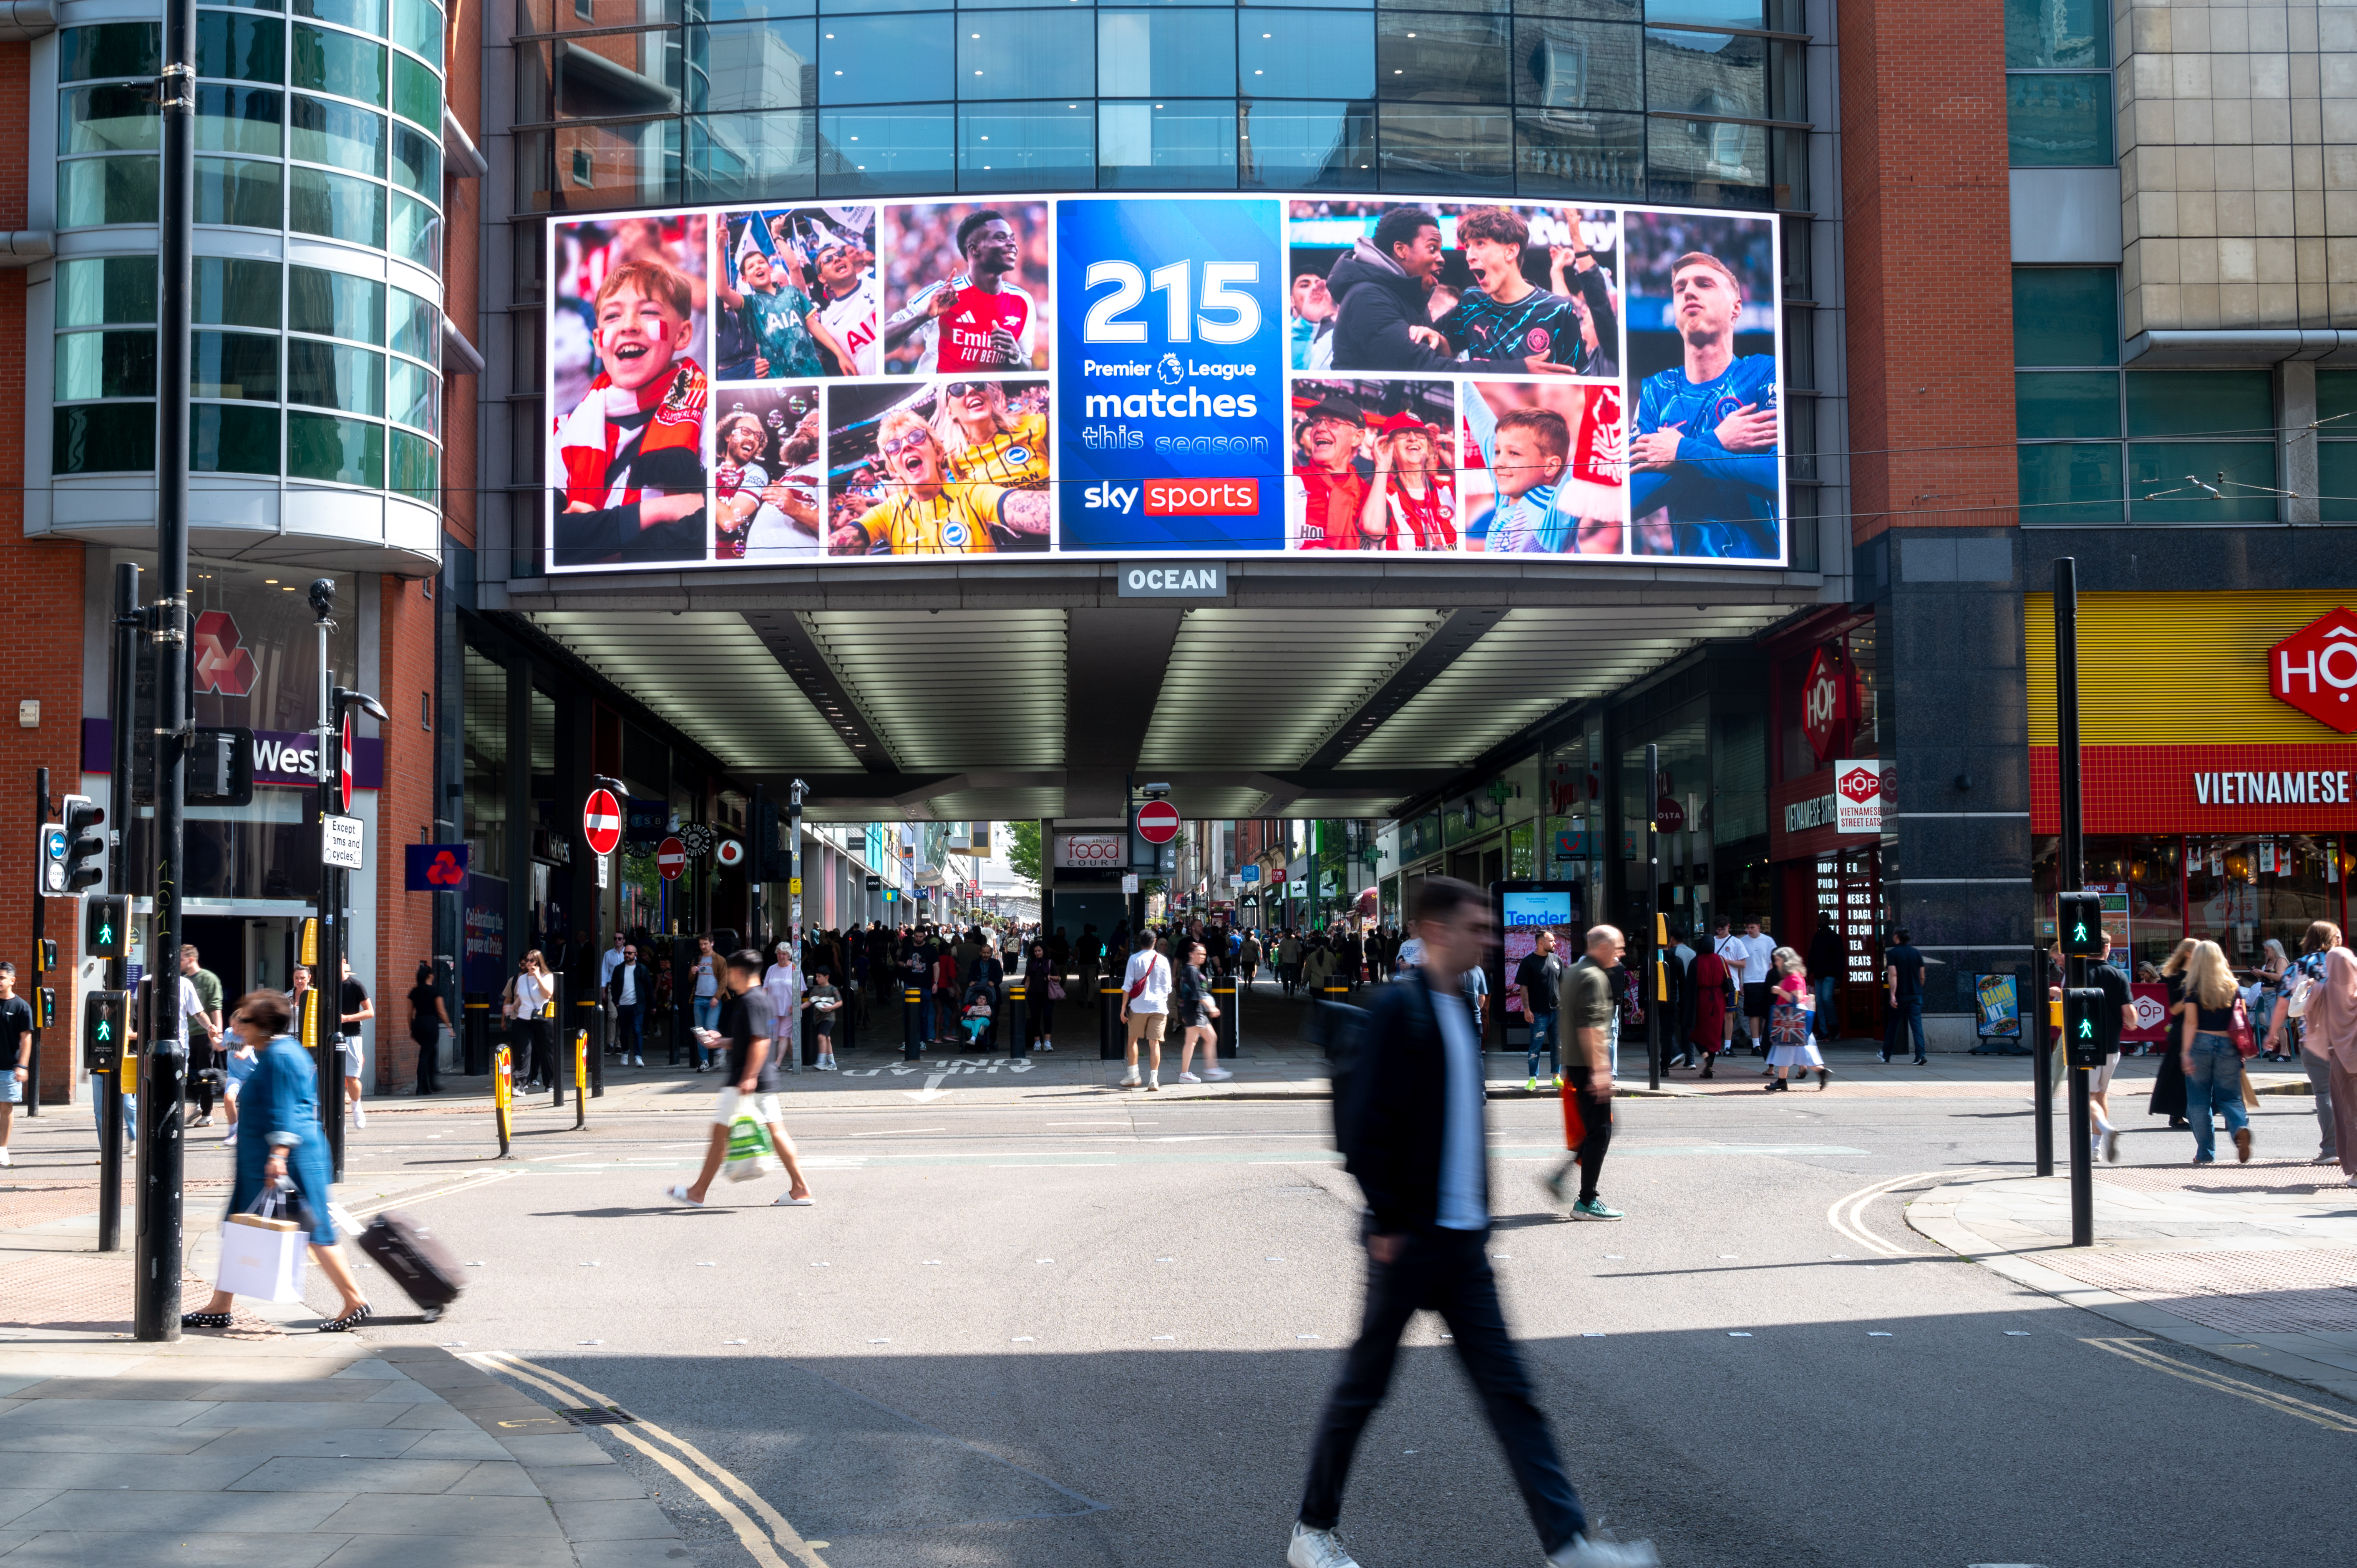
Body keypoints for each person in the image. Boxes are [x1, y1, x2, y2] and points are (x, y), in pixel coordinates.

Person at [1288, 880, 1655, 1568]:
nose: (1487, 935)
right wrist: (1390, 1218)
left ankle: (1569, 1545)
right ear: (1433, 929)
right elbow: (1365, 1126)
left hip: (1462, 1242)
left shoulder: (1462, 1003)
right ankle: (1312, 1530)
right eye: (1473, 924)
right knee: (1364, 1388)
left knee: (1511, 1393)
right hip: (1409, 1238)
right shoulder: (1402, 1008)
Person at [182, 992, 372, 1333]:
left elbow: (291, 1110)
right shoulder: (270, 1051)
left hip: (291, 1162)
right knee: (241, 1227)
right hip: (262, 1162)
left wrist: (278, 1156)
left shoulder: (282, 1056)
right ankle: (220, 1306)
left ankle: (355, 1300)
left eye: (245, 1019)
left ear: (264, 1025)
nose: (238, 1023)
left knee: (315, 1230)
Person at [549, 257, 708, 567]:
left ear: (683, 335)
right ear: (598, 341)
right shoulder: (562, 431)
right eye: (612, 316)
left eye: (648, 312)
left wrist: (597, 535)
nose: (629, 325)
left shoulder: (710, 416)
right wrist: (661, 510)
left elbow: (703, 533)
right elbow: (552, 541)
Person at [1629, 250, 1780, 560]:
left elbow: (1779, 476)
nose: (1690, 292)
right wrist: (1718, 442)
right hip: (1688, 578)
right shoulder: (1656, 390)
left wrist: (1682, 452)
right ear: (1674, 312)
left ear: (1736, 307)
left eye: (1704, 284)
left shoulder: (1764, 374)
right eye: (1680, 287)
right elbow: (1630, 498)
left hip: (1764, 573)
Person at [667, 951, 815, 1208]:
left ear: (737, 973)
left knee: (721, 1135)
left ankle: (698, 1192)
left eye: (729, 973)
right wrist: (722, 1041)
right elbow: (752, 1039)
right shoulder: (759, 999)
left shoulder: (751, 1001)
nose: (728, 978)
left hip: (746, 1080)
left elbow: (761, 1042)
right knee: (777, 1133)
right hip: (761, 1079)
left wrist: (748, 1079)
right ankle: (800, 1188)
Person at [831, 408, 1049, 556]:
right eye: (893, 447)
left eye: (916, 437)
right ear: (893, 470)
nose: (906, 446)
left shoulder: (973, 494)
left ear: (937, 452)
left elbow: (1038, 510)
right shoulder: (886, 514)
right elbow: (831, 549)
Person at [1436, 206, 1617, 376]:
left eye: (1480, 243)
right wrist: (1432, 336)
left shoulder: (1558, 311)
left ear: (1511, 251)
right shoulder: (1471, 302)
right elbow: (1444, 352)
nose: (1469, 256)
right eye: (1468, 246)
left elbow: (1580, 383)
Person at [887, 209, 1037, 372]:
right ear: (974, 249)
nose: (1013, 245)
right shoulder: (941, 294)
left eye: (1013, 239)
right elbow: (881, 342)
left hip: (985, 398)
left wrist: (1016, 356)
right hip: (935, 396)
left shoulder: (1023, 301)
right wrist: (924, 316)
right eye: (1001, 238)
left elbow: (1026, 364)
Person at [1546, 926, 1624, 1221]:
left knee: (1595, 1130)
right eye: (1618, 947)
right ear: (1602, 946)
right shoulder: (1594, 976)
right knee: (1601, 1130)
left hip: (1577, 1066)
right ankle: (1587, 1201)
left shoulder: (1576, 971)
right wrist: (1603, 1072)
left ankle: (1562, 1176)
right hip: (1589, 1067)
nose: (1621, 953)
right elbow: (1591, 1029)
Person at [713, 238, 846, 381]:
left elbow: (813, 325)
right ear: (745, 279)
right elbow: (723, 292)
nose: (757, 267)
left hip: (813, 373)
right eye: (751, 267)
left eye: (761, 263)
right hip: (778, 380)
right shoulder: (750, 304)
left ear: (770, 268)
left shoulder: (793, 292)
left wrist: (840, 354)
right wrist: (721, 249)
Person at [2269, 920, 2341, 1162]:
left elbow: (2282, 1004)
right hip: (2347, 1036)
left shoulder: (2299, 966)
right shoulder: (2347, 964)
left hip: (2314, 1038)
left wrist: (2272, 1033)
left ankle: (2332, 1150)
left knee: (2325, 1093)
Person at [2177, 939, 2252, 1164]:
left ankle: (2205, 1154)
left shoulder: (2192, 987)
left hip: (2200, 1042)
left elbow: (2190, 1022)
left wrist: (2185, 1052)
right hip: (2229, 1044)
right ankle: (2239, 1127)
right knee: (2230, 1096)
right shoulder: (2234, 986)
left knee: (2199, 1102)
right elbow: (2242, 1021)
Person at [1353, 411, 1458, 552]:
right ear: (1388, 446)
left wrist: (1458, 467)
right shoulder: (1381, 495)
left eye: (1419, 433)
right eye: (1403, 433)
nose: (1413, 438)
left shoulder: (1448, 489)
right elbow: (1372, 528)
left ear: (1428, 446)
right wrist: (1382, 467)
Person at [2301, 945, 2357, 1187]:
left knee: (2349, 1116)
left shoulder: (2322, 990)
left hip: (2340, 1063)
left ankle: (2356, 1170)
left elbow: (2304, 1011)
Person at [1291, 396, 1371, 550]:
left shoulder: (1370, 494)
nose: (1320, 428)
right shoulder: (1289, 480)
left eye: (1333, 422)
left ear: (1357, 438)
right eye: (1317, 421)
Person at [2083, 932, 2136, 1161]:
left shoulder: (2077, 974)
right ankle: (2095, 1148)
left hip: (2084, 1043)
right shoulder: (2118, 975)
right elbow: (2131, 1015)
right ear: (2108, 948)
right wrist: (2132, 1025)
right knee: (2100, 1093)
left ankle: (2105, 1130)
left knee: (2087, 1096)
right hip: (2112, 1045)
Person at [1763, 946, 1831, 1091]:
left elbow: (1796, 999)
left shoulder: (1793, 977)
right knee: (1800, 1051)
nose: (1776, 963)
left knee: (1785, 1048)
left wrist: (1780, 991)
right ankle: (1819, 1072)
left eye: (1778, 960)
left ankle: (1782, 1081)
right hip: (1795, 1021)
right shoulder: (1794, 976)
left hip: (1791, 1020)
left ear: (1786, 961)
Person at [2150, 937, 2198, 1128]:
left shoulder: (2203, 973)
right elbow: (2174, 1009)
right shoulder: (2174, 976)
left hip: (2202, 1029)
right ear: (2188, 953)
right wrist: (2191, 996)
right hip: (2181, 1029)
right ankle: (2176, 1115)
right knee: (2176, 1076)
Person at [1119, 931, 1171, 1091]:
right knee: (1154, 1043)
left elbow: (1127, 986)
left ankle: (1133, 1075)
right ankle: (1154, 1080)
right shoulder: (1163, 960)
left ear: (1139, 942)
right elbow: (1169, 988)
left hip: (1139, 1007)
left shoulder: (1134, 959)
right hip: (1159, 1007)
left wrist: (1123, 1009)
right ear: (1155, 942)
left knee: (1133, 1040)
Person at [1514, 930, 1564, 1092]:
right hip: (1538, 1013)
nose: (1555, 943)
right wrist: (1527, 1009)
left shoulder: (1557, 960)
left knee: (1558, 1046)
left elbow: (1563, 985)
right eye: (1551, 940)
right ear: (1541, 943)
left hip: (1557, 1012)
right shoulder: (1528, 962)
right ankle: (1532, 1079)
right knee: (1535, 1047)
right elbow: (1524, 987)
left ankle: (1556, 1078)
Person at [1176, 941, 1231, 1084]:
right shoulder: (1191, 970)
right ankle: (1186, 1074)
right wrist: (1211, 1008)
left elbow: (1185, 993)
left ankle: (1210, 1069)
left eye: (1204, 954)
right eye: (1199, 954)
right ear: (1191, 954)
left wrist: (1183, 1010)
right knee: (1193, 1042)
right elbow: (1197, 993)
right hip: (1195, 1011)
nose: (1202, 957)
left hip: (1194, 1011)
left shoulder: (1190, 969)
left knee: (1209, 1038)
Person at [181, 946, 224, 1128]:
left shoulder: (209, 979)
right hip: (186, 1034)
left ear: (191, 959)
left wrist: (218, 1035)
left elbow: (216, 1008)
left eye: (182, 959)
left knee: (206, 1074)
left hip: (205, 1034)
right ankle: (198, 1103)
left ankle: (207, 1114)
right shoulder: (182, 981)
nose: (179, 962)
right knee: (185, 1074)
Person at [1686, 935, 1732, 1079]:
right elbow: (1728, 980)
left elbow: (1690, 984)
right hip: (1718, 998)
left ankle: (1706, 1057)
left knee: (1697, 1032)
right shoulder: (1721, 960)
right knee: (1715, 1033)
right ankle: (1709, 1066)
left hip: (1701, 998)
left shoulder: (1696, 961)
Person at [1881, 927, 1928, 1065]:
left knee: (1894, 1025)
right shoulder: (1916, 953)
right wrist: (1917, 988)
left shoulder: (1892, 954)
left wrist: (1892, 995)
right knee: (1916, 1026)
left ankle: (1886, 1054)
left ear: (1896, 937)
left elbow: (1893, 974)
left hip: (1901, 995)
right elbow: (1922, 976)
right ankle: (1920, 1055)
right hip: (1916, 994)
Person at [0, 964, 30, 1167]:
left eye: (1, 977)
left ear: (12, 980)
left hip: (9, 1068)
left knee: (6, 1108)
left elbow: (26, 1039)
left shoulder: (21, 1007)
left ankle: (2, 1149)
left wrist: (23, 1066)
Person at [337, 957, 372, 1127]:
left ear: (343, 962)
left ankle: (356, 1106)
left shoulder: (356, 985)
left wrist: (347, 1018)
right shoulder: (325, 986)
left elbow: (370, 1012)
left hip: (352, 1035)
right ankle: (337, 1118)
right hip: (331, 1036)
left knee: (352, 1077)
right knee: (332, 1078)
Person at [407, 961, 449, 1096]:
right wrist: (449, 1026)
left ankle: (430, 1085)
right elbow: (441, 1012)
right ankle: (421, 1087)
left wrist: (412, 1029)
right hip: (431, 1025)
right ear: (430, 976)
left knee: (431, 1052)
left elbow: (409, 1013)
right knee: (425, 1055)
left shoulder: (414, 992)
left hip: (418, 1024)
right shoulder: (435, 991)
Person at [761, 941, 802, 1074]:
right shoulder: (772, 969)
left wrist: (795, 1003)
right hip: (774, 1009)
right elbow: (765, 988)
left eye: (784, 954)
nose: (781, 956)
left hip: (789, 1010)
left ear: (789, 955)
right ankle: (796, 1061)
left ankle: (777, 1063)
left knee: (783, 1036)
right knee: (782, 1038)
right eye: (779, 954)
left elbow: (801, 989)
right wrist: (762, 1003)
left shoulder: (795, 969)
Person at [609, 941, 652, 1067]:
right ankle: (625, 1053)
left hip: (637, 1005)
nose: (627, 955)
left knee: (638, 1030)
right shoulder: (619, 969)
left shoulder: (642, 969)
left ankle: (638, 1057)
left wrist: (651, 1005)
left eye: (629, 953)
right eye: (625, 953)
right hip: (623, 1006)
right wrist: (616, 1003)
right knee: (624, 1032)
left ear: (636, 954)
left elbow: (648, 988)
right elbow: (614, 987)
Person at [1289, 265, 1336, 371]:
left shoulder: (1339, 336)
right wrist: (1306, 325)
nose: (1314, 289)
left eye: (1319, 285)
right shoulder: (1277, 333)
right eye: (1305, 286)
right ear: (1291, 300)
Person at [1806, 915, 1843, 1037]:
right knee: (1820, 1002)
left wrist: (1839, 977)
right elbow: (1812, 955)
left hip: (1830, 974)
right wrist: (1808, 971)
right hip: (1819, 974)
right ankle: (1824, 1031)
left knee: (1826, 999)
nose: (1820, 922)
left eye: (1823, 920)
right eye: (1819, 919)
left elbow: (1840, 959)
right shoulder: (1817, 937)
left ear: (1829, 922)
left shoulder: (1835, 938)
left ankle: (1833, 1025)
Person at [690, 937, 723, 1070]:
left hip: (713, 999)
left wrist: (717, 997)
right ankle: (705, 1062)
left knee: (710, 1026)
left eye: (705, 944)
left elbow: (724, 981)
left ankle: (720, 1050)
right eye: (701, 944)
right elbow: (690, 979)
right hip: (699, 998)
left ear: (712, 943)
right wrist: (693, 973)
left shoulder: (720, 960)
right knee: (700, 1030)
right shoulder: (697, 959)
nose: (703, 947)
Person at [1024, 939, 1057, 1052]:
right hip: (1033, 995)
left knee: (1048, 1016)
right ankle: (1037, 1042)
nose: (1037, 953)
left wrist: (1050, 978)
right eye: (1035, 951)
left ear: (1044, 951)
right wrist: (1023, 995)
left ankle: (1048, 1042)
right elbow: (1028, 981)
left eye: (1039, 951)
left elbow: (1058, 978)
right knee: (1035, 1018)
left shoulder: (1050, 963)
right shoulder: (1030, 964)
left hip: (1047, 994)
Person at [807, 966, 842, 1070]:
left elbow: (840, 1002)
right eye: (816, 976)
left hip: (829, 1018)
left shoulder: (833, 989)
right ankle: (832, 1063)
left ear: (826, 977)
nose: (816, 979)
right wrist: (798, 1008)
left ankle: (821, 1061)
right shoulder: (815, 990)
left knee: (821, 1037)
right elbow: (810, 1002)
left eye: (819, 976)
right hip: (818, 1018)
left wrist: (831, 1007)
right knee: (827, 1039)